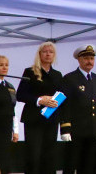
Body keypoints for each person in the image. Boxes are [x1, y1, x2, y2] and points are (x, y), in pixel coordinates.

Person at [16, 41, 63, 174]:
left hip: (51, 118)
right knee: (33, 155)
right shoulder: (30, 71)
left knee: (49, 155)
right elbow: (20, 94)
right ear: (39, 54)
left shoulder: (57, 75)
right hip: (33, 119)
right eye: (45, 51)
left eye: (51, 52)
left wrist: (55, 102)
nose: (48, 54)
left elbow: (61, 95)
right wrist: (39, 100)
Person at [59, 44, 96, 174]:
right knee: (71, 163)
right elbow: (65, 104)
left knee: (90, 165)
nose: (89, 61)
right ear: (79, 60)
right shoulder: (70, 78)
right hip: (76, 130)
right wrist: (65, 128)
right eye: (86, 58)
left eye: (92, 58)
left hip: (94, 130)